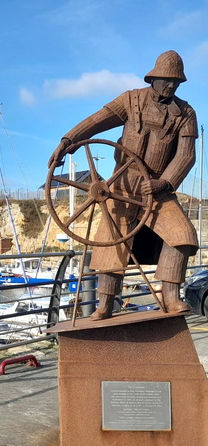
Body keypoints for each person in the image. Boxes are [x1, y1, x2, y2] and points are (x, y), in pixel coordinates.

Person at [49, 50, 198, 320]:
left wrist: (163, 182)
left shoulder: (185, 113)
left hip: (158, 194)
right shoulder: (131, 101)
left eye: (176, 81)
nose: (171, 85)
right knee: (109, 243)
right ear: (153, 78)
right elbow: (97, 120)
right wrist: (67, 141)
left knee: (183, 236)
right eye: (166, 79)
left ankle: (170, 296)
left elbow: (186, 155)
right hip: (120, 191)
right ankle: (105, 304)